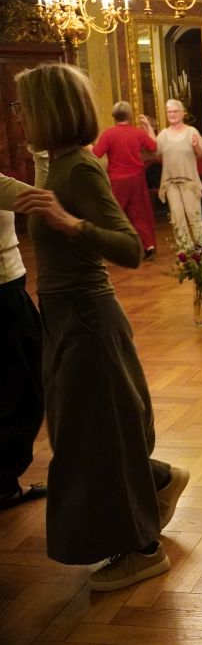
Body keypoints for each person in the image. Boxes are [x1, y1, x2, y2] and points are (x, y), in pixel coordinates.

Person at [11, 63, 189, 591]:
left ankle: (143, 549)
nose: (17, 118)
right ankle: (157, 480)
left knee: (94, 435)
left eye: (23, 108)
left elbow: (130, 248)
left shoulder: (80, 169)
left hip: (88, 319)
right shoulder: (56, 165)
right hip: (66, 316)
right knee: (88, 430)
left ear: (48, 112)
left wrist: (71, 223)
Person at [0, 156, 47, 511]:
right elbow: (40, 199)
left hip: (8, 286)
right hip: (3, 292)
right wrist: (42, 154)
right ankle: (3, 483)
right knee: (22, 387)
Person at [93, 101, 159, 261]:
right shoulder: (137, 133)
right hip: (137, 179)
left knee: (113, 214)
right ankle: (149, 247)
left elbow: (96, 154)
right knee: (138, 213)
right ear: (129, 115)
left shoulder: (109, 134)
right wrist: (147, 125)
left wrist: (85, 144)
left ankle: (108, 248)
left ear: (114, 115)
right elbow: (153, 146)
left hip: (117, 180)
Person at [148, 98, 202, 250]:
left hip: (189, 182)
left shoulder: (192, 131)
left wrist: (196, 146)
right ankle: (185, 249)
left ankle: (201, 248)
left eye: (175, 111)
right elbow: (154, 151)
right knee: (177, 217)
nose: (172, 114)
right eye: (169, 112)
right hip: (170, 183)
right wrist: (148, 128)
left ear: (183, 113)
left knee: (193, 215)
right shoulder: (163, 134)